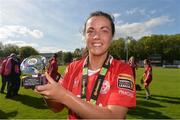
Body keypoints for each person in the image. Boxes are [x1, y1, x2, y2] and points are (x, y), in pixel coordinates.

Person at [35, 11, 136, 119]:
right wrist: (46, 91)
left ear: (112, 36)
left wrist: (64, 96)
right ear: (85, 36)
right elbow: (57, 108)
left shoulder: (122, 69)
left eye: (104, 31)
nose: (96, 36)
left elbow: (114, 117)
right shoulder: (72, 67)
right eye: (91, 31)